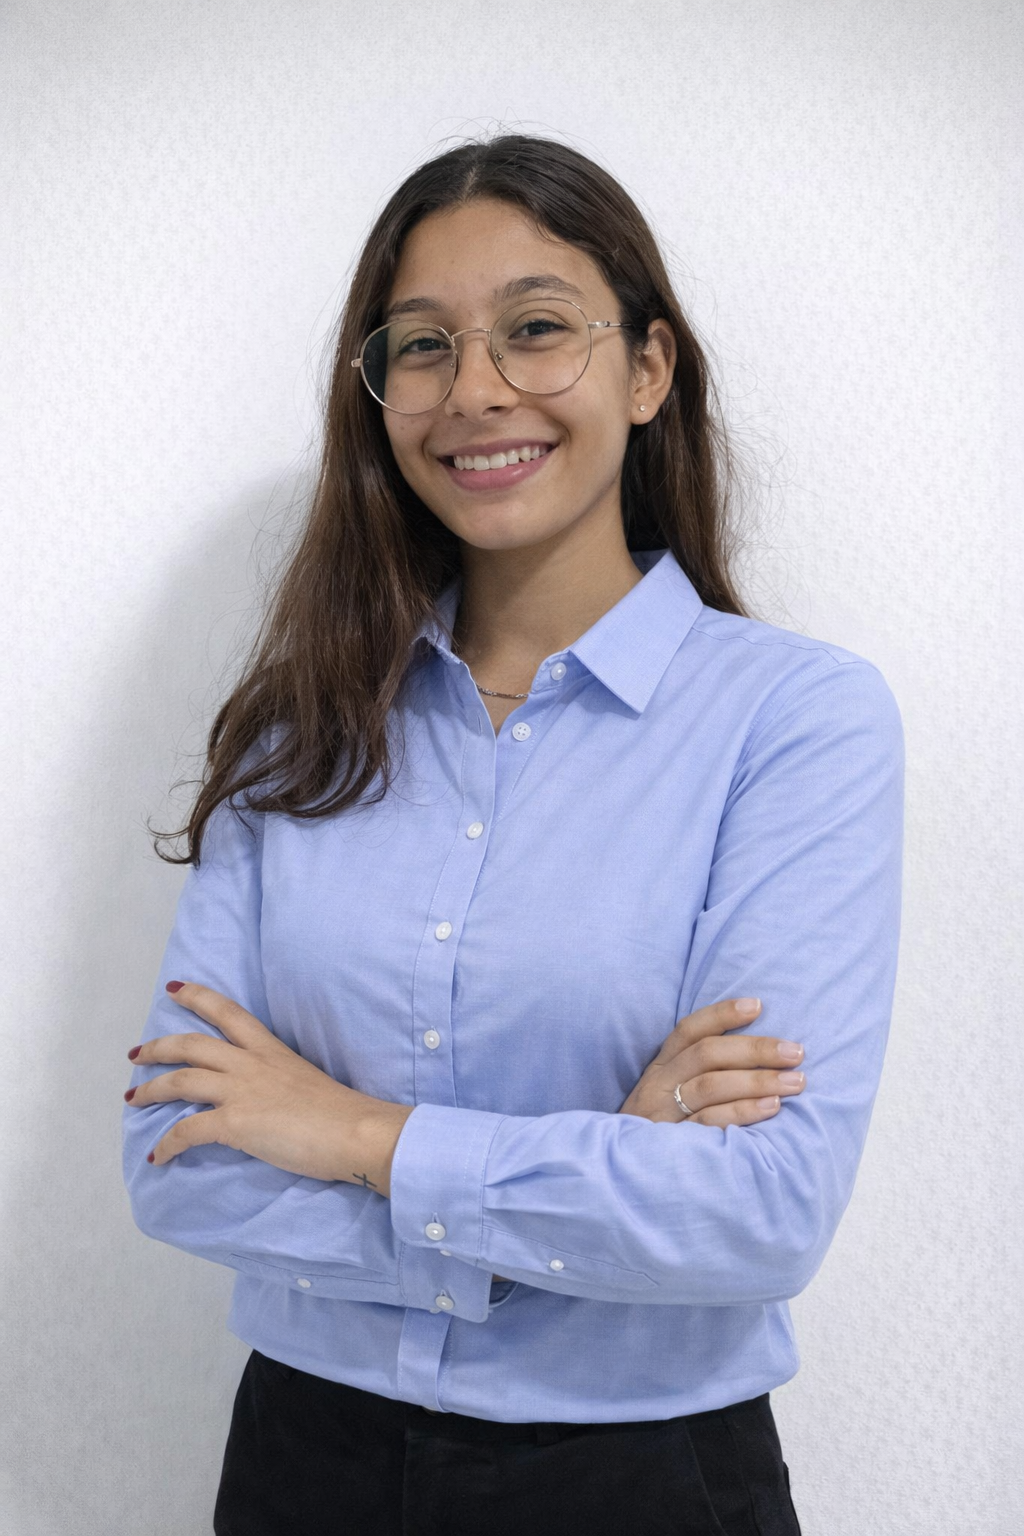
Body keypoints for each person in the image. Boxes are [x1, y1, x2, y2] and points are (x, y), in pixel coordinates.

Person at [122, 133, 903, 1535]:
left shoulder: (794, 724)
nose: (475, 389)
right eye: (423, 345)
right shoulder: (303, 728)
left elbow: (760, 1213)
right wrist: (599, 1173)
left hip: (644, 1480)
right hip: (305, 1467)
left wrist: (350, 1132)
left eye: (537, 328)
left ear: (648, 370)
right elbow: (180, 1163)